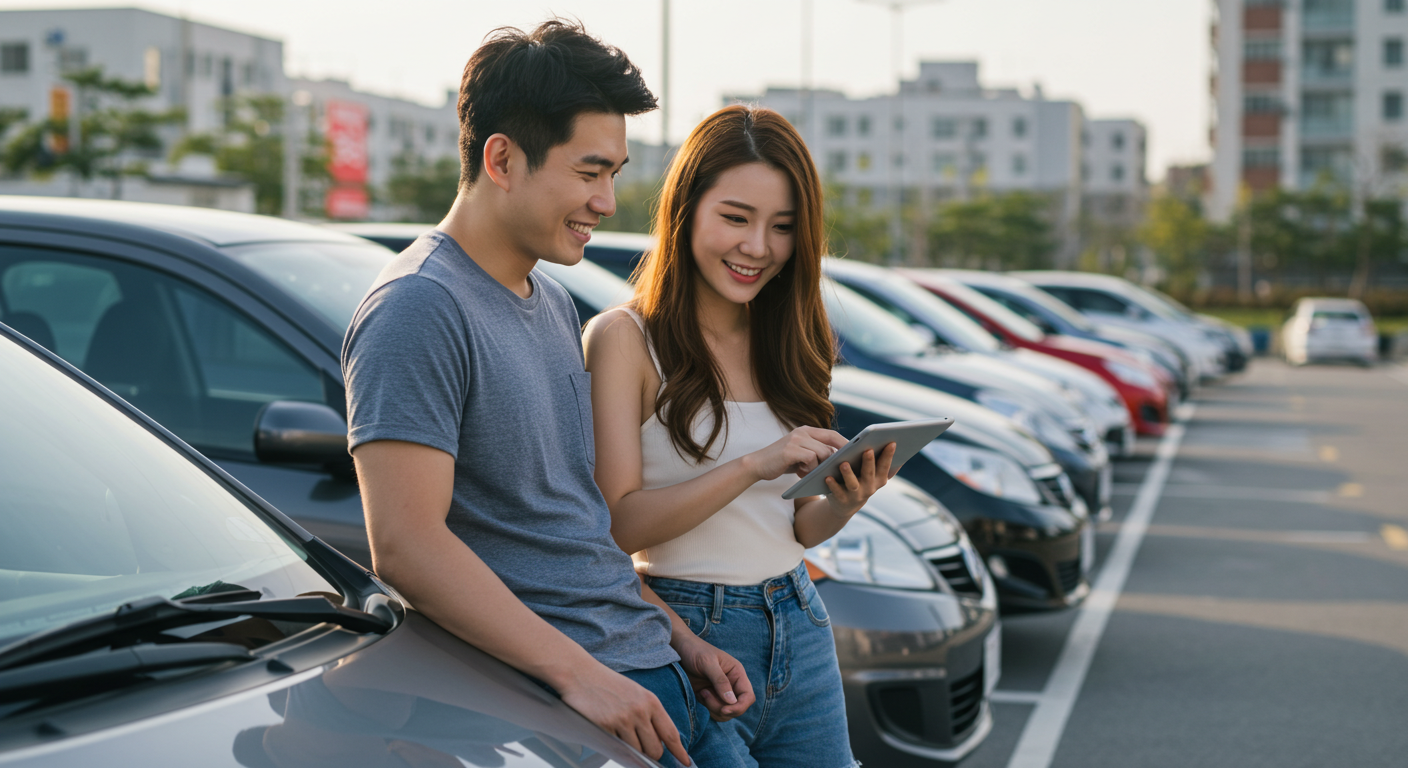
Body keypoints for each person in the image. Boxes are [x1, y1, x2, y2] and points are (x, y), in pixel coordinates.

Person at [341, 21, 750, 768]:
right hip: (579, 712)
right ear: (502, 158)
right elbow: (405, 545)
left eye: (615, 173)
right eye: (590, 171)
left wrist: (684, 642)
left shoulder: (552, 301)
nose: (609, 201)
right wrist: (584, 679)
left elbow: (571, 525)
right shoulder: (419, 306)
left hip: (657, 685)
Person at [583, 105, 897, 768]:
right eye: (736, 218)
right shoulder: (623, 339)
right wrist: (753, 464)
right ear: (686, 208)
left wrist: (845, 498)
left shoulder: (789, 338)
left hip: (800, 620)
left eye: (782, 227)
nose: (758, 247)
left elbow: (796, 528)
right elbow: (616, 528)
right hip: (686, 636)